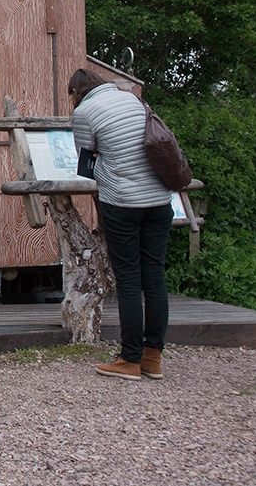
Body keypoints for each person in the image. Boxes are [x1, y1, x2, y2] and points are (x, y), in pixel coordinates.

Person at [69, 68, 174, 381]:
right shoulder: (131, 100)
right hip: (159, 198)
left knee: (128, 278)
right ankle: (152, 357)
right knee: (154, 275)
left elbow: (86, 159)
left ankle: (129, 359)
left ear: (76, 92)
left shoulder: (84, 111)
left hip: (124, 202)